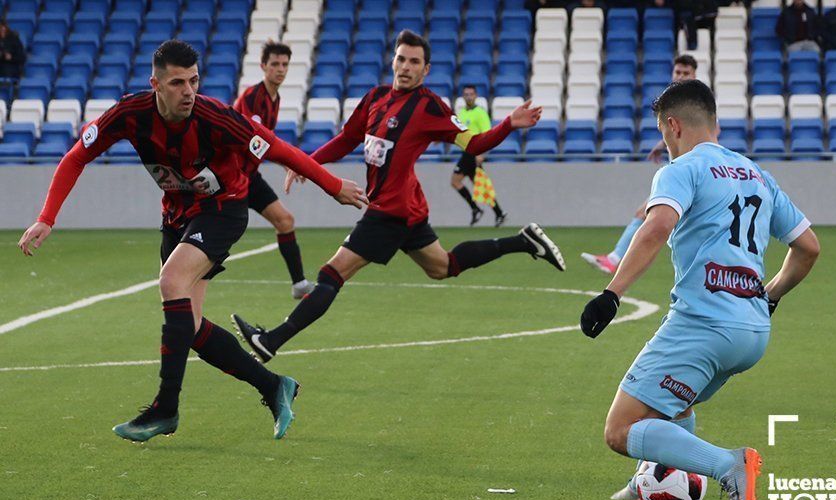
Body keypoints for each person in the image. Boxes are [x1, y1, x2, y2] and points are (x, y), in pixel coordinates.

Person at [17, 40, 367, 443]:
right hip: (177, 215)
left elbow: (278, 147)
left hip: (223, 210)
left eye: (194, 81)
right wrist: (47, 217)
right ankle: (274, 386)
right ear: (156, 85)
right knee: (192, 326)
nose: (188, 91)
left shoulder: (216, 117)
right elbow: (76, 156)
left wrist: (332, 184)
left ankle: (165, 409)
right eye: (178, 82)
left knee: (171, 283)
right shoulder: (130, 115)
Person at [231, 30, 565, 364]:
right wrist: (309, 162)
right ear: (393, 60)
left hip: (390, 211)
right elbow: (348, 138)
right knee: (443, 266)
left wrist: (508, 123)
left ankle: (270, 341)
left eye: (414, 62)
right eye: (401, 58)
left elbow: (473, 144)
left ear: (426, 70)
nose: (405, 67)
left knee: (332, 274)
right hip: (407, 207)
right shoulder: (375, 97)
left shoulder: (430, 107)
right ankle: (524, 241)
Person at [579, 80, 820, 500]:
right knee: (676, 402)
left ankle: (729, 464)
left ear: (673, 126)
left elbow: (655, 229)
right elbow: (808, 247)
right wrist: (770, 297)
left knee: (619, 429)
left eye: (662, 132)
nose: (664, 142)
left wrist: (611, 295)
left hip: (702, 325)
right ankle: (649, 476)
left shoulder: (682, 169)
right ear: (715, 124)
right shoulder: (757, 175)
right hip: (751, 332)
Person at [581, 55, 697, 275]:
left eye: (686, 73)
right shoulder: (677, 100)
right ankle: (615, 259)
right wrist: (661, 145)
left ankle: (617, 262)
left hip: (690, 174)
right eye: (678, 72)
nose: (681, 76)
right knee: (645, 214)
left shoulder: (697, 101)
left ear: (694, 75)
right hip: (681, 173)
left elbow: (710, 131)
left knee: (652, 219)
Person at [234, 41, 314, 299]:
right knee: (221, 235)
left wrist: (288, 162)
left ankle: (299, 285)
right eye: (275, 64)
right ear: (263, 67)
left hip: (250, 176)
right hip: (231, 176)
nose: (280, 69)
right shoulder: (251, 97)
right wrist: (290, 162)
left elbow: (265, 143)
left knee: (285, 221)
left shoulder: (275, 98)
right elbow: (253, 141)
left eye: (284, 65)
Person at [450, 85, 507, 227]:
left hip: (474, 153)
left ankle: (478, 209)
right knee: (479, 185)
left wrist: (482, 153)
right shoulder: (462, 112)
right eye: (466, 94)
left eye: (471, 94)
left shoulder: (480, 113)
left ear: (475, 96)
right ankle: (497, 213)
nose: (468, 97)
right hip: (466, 152)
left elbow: (487, 134)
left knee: (456, 181)